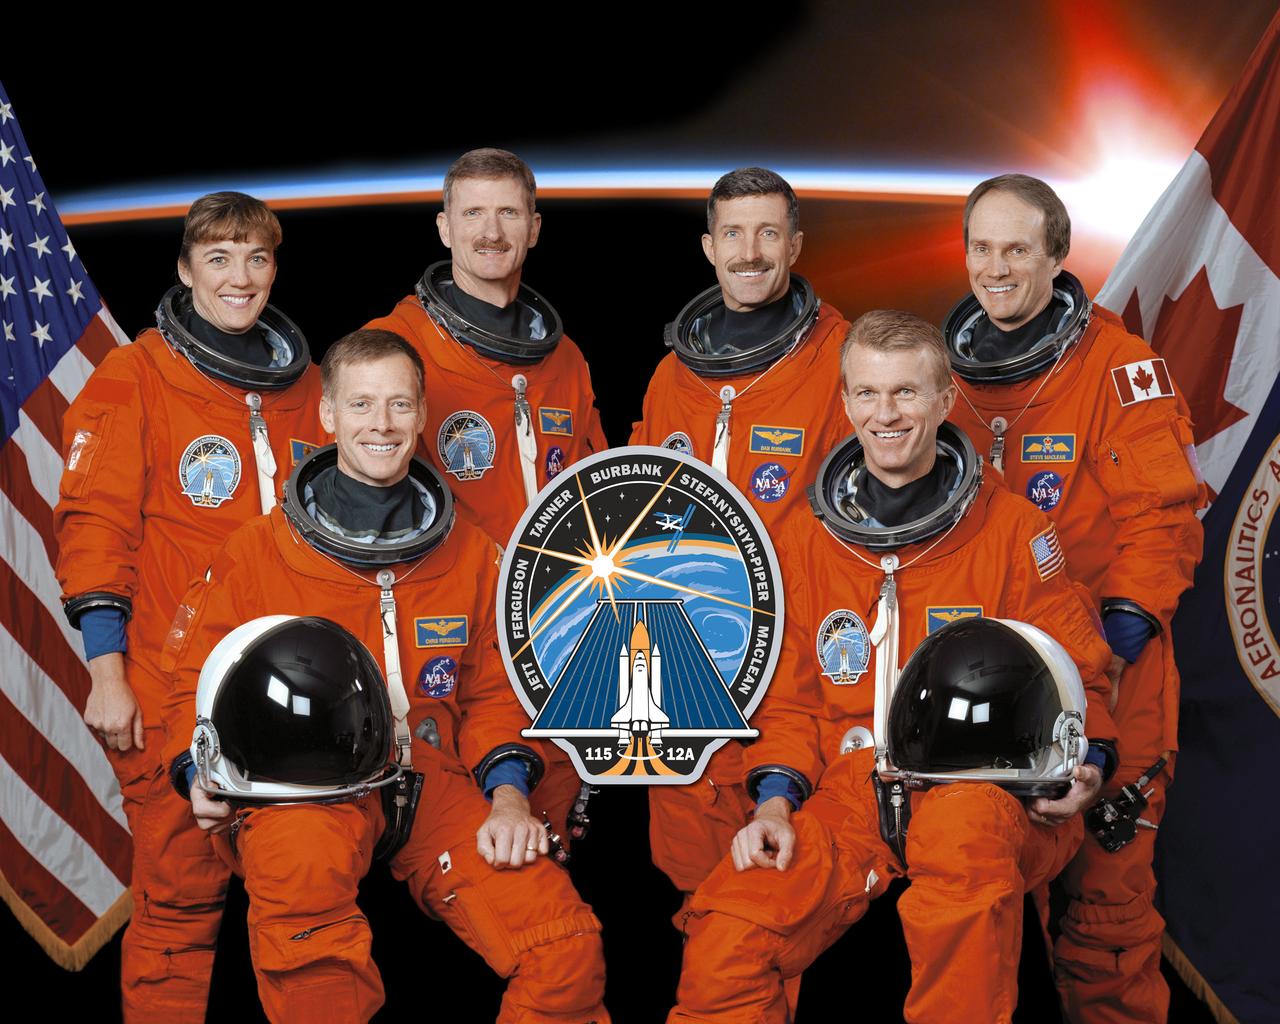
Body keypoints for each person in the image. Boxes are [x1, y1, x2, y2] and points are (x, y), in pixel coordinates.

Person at [669, 310, 1120, 1024]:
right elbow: (788, 704)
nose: (886, 414)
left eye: (906, 392)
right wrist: (775, 805)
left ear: (945, 400)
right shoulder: (807, 543)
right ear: (846, 402)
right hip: (851, 794)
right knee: (727, 935)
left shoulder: (1011, 531)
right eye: (868, 393)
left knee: (965, 851)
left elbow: (1080, 675)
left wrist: (1089, 764)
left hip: (981, 789)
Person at [162, 329, 607, 1024]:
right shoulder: (258, 552)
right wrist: (197, 774)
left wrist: (509, 796)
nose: (383, 424)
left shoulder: (472, 554)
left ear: (423, 413)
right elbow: (192, 680)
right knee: (308, 936)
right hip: (302, 784)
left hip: (431, 777)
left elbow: (496, 692)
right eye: (361, 404)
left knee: (564, 946)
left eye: (400, 404)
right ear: (328, 414)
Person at [54, 192, 326, 1021]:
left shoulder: (307, 385)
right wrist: (108, 675)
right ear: (185, 269)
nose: (240, 278)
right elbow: (95, 529)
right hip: (170, 684)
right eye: (218, 258)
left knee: (306, 902)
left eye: (257, 258)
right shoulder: (134, 377)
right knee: (177, 902)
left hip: (285, 683)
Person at [943, 174, 1204, 1023]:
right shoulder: (943, 376)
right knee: (979, 905)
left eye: (1017, 249)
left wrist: (1113, 648)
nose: (995, 268)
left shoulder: (1119, 369)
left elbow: (1162, 520)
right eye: (982, 247)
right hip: (988, 684)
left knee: (1105, 922)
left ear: (1057, 257)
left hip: (1111, 675)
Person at [365, 148, 605, 843]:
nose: (491, 232)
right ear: (445, 228)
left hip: (552, 629)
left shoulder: (563, 359)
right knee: (432, 835)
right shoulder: (393, 348)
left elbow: (591, 492)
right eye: (473, 213)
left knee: (540, 834)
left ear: (535, 227)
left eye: (508, 213)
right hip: (443, 631)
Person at [633, 167, 851, 900]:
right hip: (680, 658)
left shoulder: (842, 361)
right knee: (694, 884)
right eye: (733, 233)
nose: (749, 252)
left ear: (794, 245)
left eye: (767, 233)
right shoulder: (672, 376)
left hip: (794, 660)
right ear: (709, 247)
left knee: (787, 880)